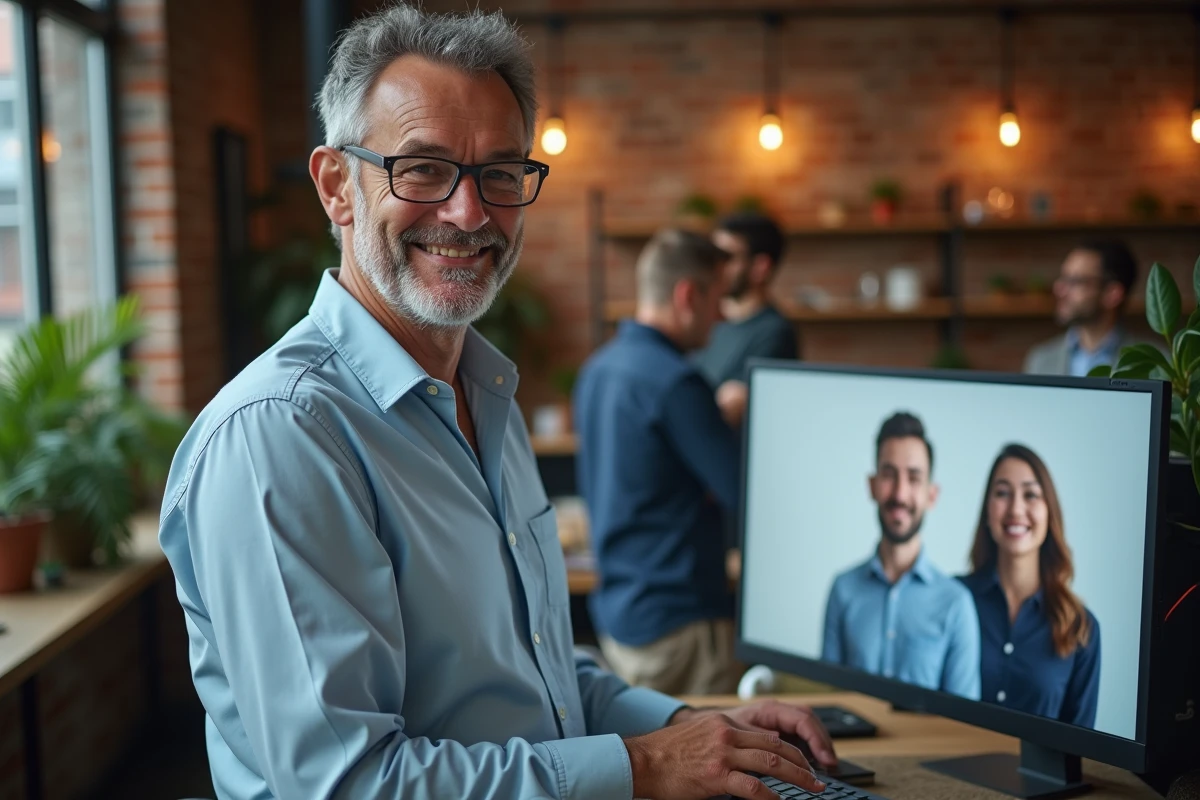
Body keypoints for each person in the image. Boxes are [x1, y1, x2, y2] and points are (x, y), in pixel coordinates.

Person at [156, 6, 836, 799]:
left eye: (501, 173)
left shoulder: (484, 393)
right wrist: (649, 765)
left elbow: (539, 676)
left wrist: (699, 728)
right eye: (422, 168)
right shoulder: (281, 435)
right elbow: (346, 785)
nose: (470, 213)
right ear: (338, 187)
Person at [574, 228, 747, 698]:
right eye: (718, 299)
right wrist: (723, 420)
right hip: (683, 627)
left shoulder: (599, 368)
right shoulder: (679, 385)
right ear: (688, 295)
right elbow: (741, 493)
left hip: (622, 615)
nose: (722, 315)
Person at [821, 412, 981, 699]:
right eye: (889, 474)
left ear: (932, 494)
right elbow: (830, 701)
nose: (900, 493)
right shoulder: (842, 590)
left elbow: (965, 727)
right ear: (872, 485)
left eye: (914, 477)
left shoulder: (957, 604)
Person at [960, 444, 1101, 729]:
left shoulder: (1081, 627)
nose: (1016, 508)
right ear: (987, 511)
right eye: (1002, 493)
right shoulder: (952, 600)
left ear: (1050, 514)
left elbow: (1082, 751)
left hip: (1032, 775)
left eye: (1031, 494)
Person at [693, 212, 798, 426]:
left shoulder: (775, 332)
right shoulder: (707, 323)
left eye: (727, 258)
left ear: (760, 268)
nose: (716, 268)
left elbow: (727, 411)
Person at [1024, 240, 1141, 376]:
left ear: (1112, 293)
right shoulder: (1041, 359)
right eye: (1063, 278)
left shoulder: (1157, 363)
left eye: (1074, 281)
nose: (1059, 289)